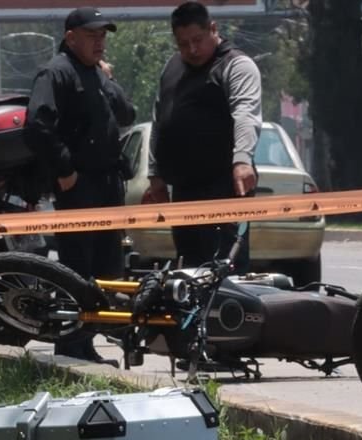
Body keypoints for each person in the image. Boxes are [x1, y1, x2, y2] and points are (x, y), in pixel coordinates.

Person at [24, 6, 136, 365]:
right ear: (71, 37)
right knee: (78, 271)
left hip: (107, 185)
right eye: (92, 35)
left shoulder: (97, 74)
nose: (99, 41)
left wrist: (110, 80)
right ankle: (72, 350)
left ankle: (87, 346)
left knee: (106, 272)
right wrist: (64, 169)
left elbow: (127, 114)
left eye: (103, 35)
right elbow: (38, 126)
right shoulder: (56, 73)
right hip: (80, 187)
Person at [142, 1, 262, 269]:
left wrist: (242, 160)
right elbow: (160, 121)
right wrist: (155, 174)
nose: (192, 50)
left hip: (224, 188)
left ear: (213, 29)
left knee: (224, 273)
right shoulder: (171, 67)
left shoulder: (236, 65)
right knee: (189, 271)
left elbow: (246, 114)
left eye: (197, 40)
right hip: (184, 190)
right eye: (183, 44)